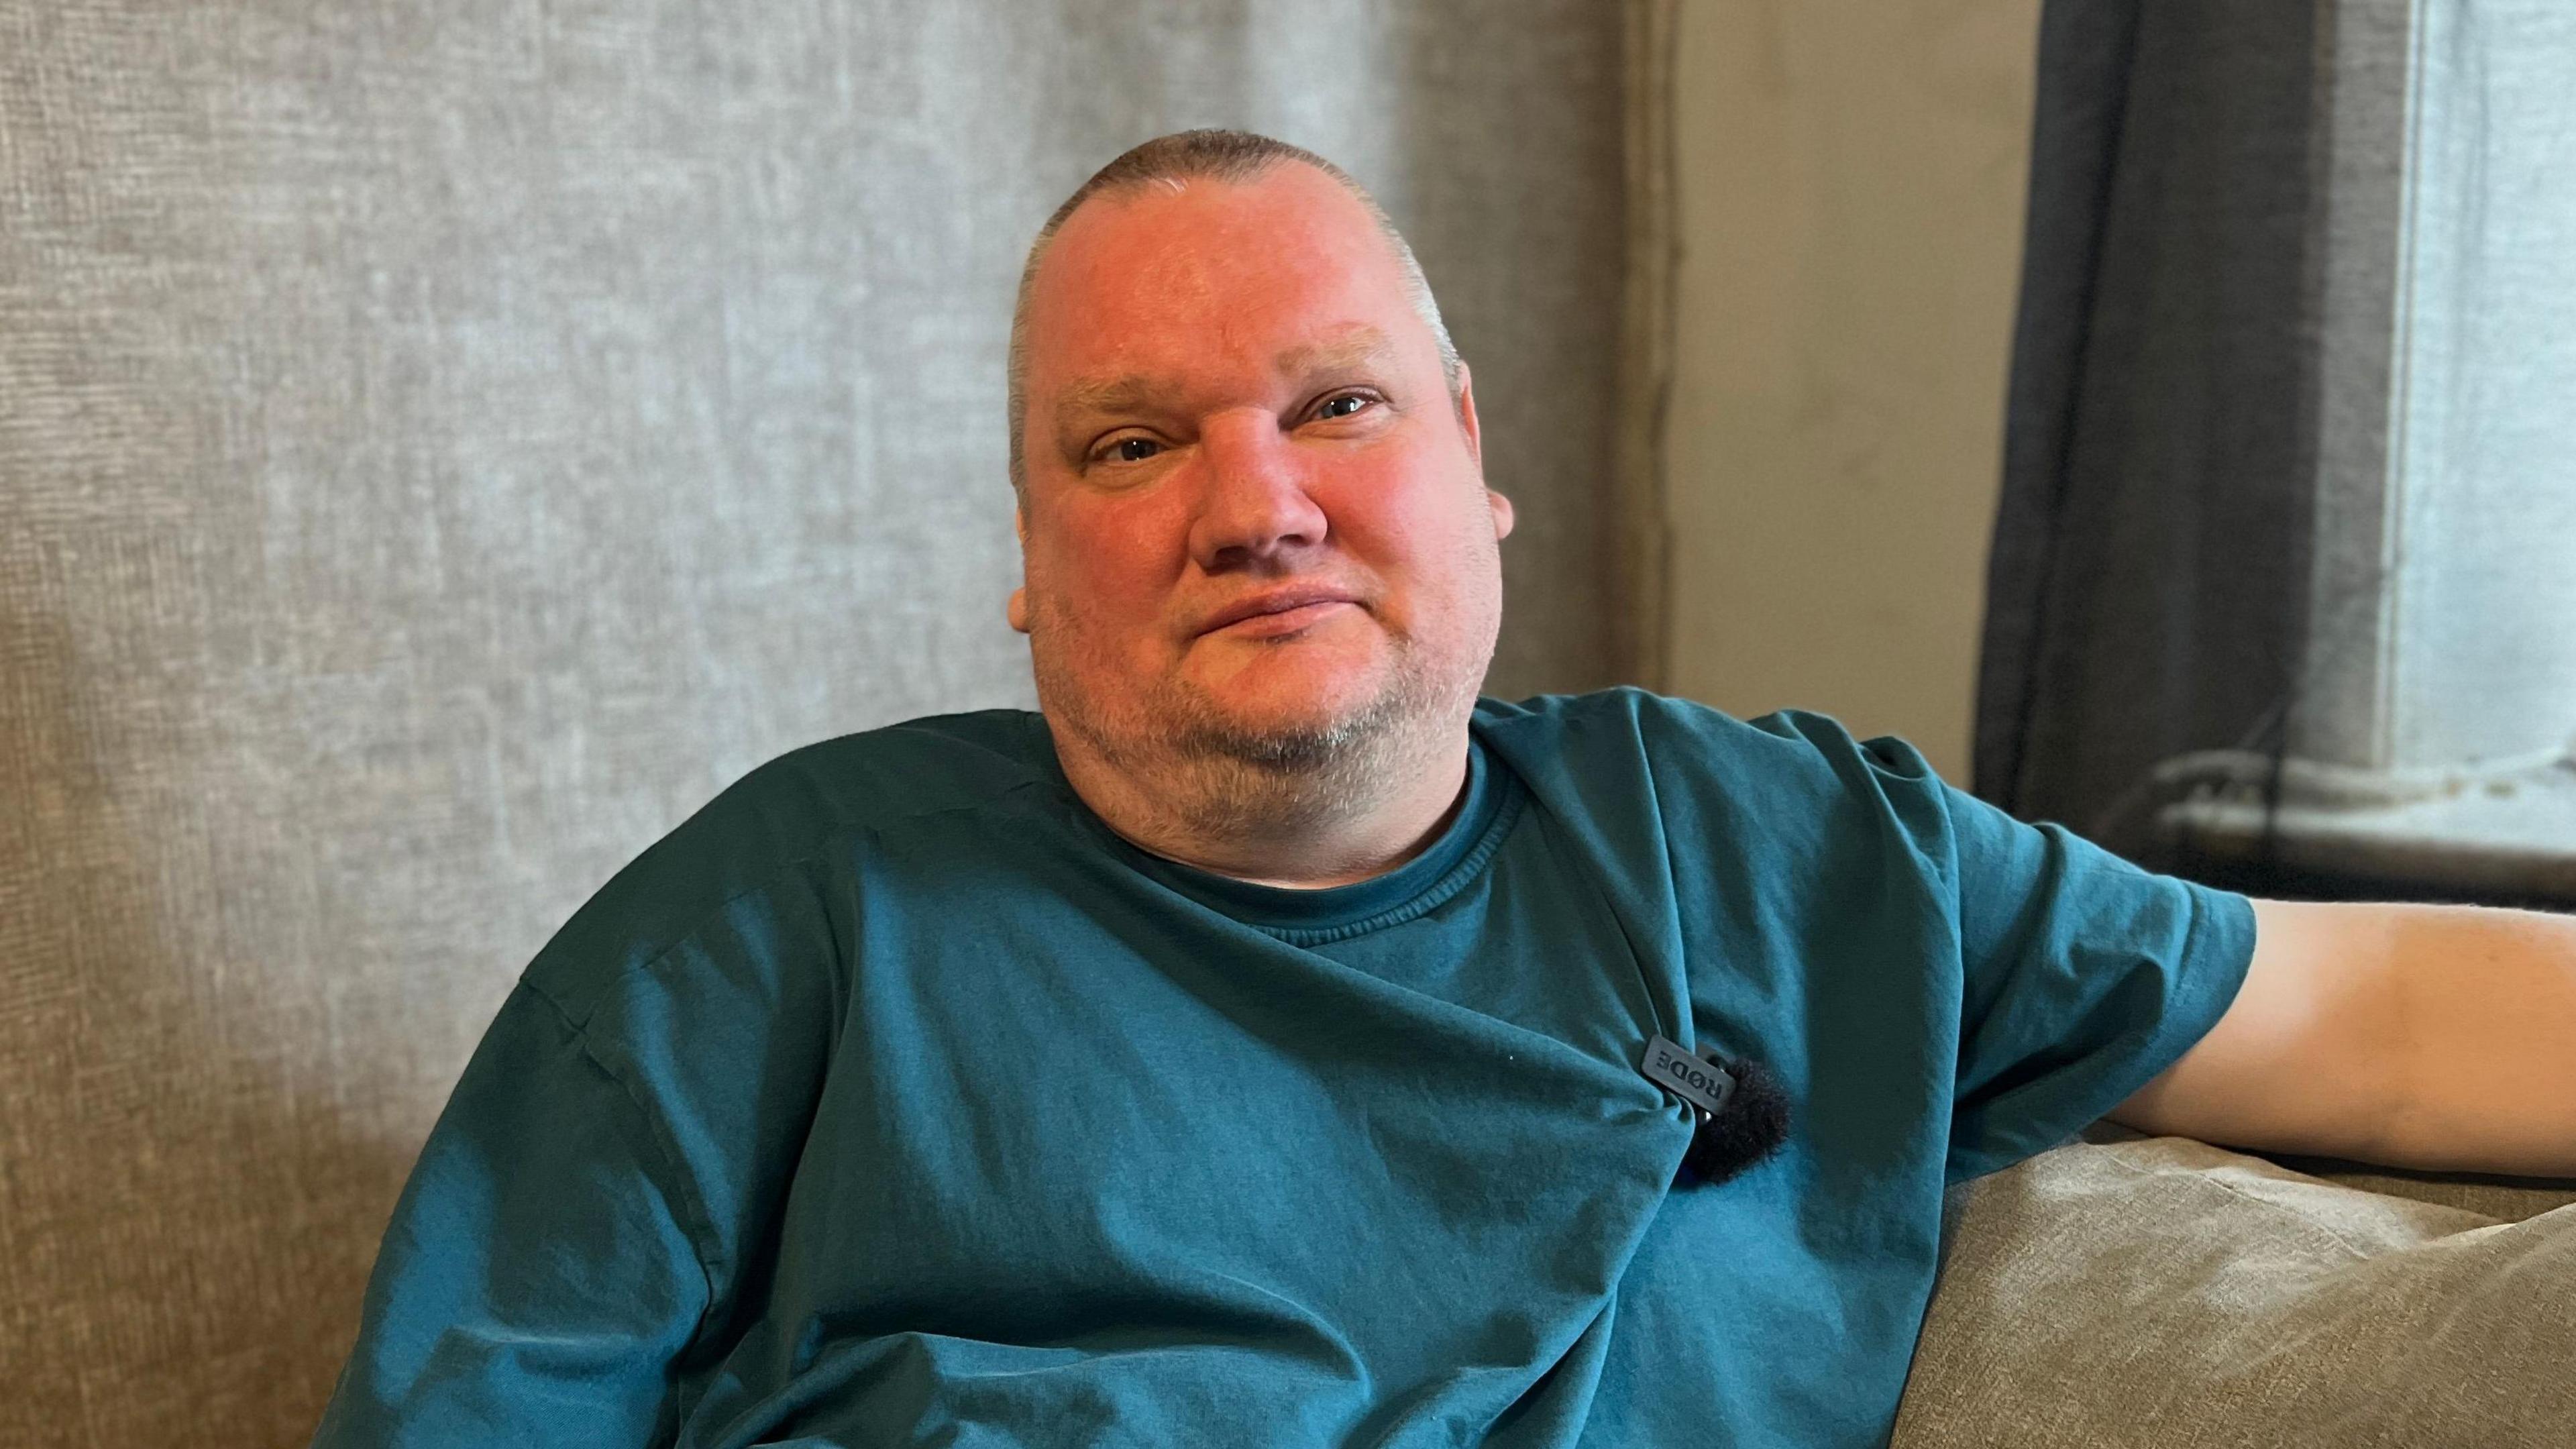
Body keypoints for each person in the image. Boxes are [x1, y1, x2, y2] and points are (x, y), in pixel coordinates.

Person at [310, 129, 2576, 1448]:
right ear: (1025, 564)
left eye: (1339, 408)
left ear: (1476, 468)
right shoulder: (772, 930)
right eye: (1133, 444)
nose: (1259, 503)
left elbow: (2367, 1018)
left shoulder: (1784, 857)